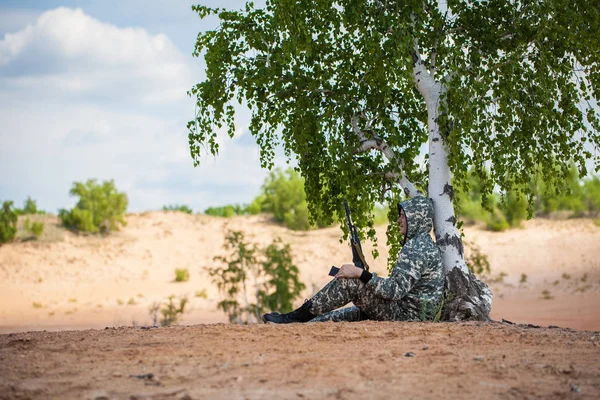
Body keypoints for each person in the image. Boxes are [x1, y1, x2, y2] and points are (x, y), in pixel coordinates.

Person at [262, 195, 444, 323]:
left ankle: (294, 317)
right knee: (330, 318)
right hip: (405, 312)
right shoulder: (423, 244)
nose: (399, 220)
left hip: (407, 317)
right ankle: (301, 319)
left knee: (352, 282)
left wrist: (361, 274)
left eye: (403, 215)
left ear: (417, 218)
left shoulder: (416, 248)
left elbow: (393, 291)